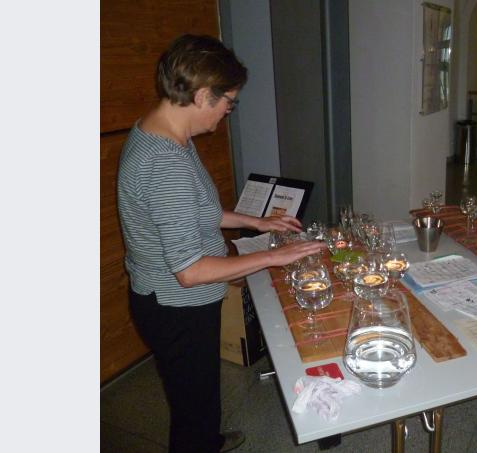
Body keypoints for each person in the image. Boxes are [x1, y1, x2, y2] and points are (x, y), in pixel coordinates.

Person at [117, 34, 325, 453]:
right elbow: (190, 271)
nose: (229, 111)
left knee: (198, 396)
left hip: (170, 300)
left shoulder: (163, 133)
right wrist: (274, 256)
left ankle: (207, 439)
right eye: (228, 101)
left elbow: (196, 211)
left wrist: (256, 221)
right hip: (177, 307)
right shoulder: (165, 164)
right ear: (201, 95)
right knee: (193, 406)